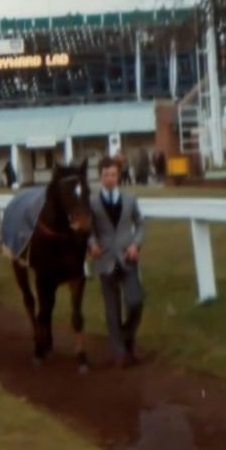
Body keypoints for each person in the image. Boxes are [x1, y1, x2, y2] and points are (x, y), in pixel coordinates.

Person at [88, 156, 146, 367]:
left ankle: (126, 337)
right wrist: (92, 244)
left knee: (135, 301)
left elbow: (140, 224)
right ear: (100, 177)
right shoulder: (92, 202)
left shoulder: (130, 199)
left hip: (128, 257)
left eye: (113, 175)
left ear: (118, 176)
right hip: (105, 259)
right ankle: (120, 353)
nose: (110, 179)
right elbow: (89, 231)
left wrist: (135, 244)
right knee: (112, 309)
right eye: (106, 175)